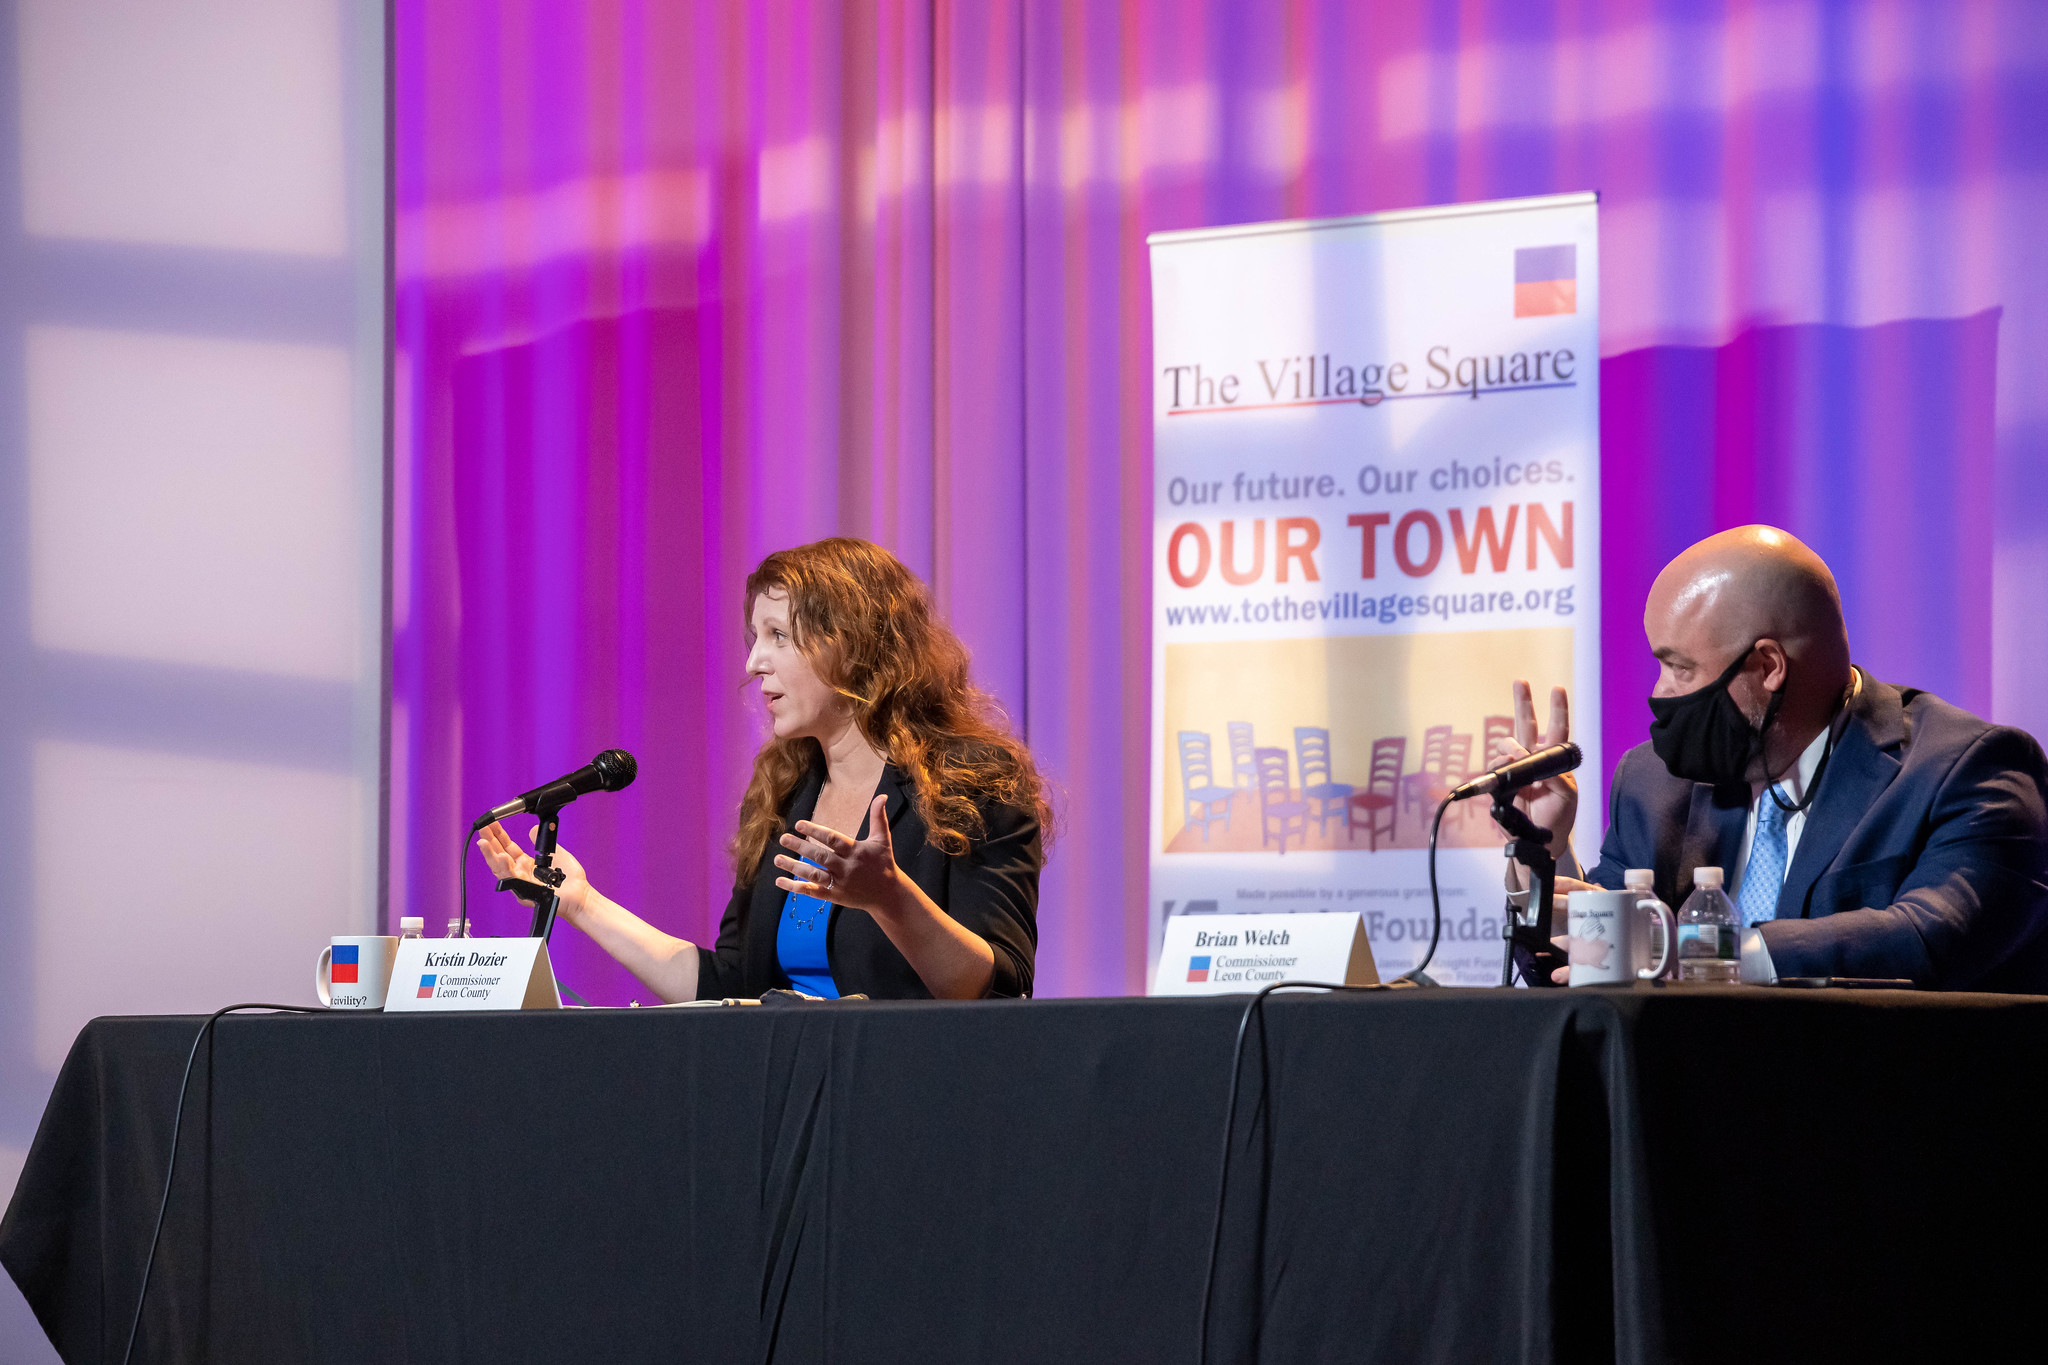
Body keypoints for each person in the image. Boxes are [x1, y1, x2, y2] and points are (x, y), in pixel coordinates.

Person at [477, 538, 1050, 1001]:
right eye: (755, 639)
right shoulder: (785, 789)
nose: (754, 663)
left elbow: (994, 989)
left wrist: (890, 897)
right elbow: (732, 986)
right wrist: (579, 903)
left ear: (849, 647)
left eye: (778, 636)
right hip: (784, 1092)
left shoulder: (971, 783)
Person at [1499, 525, 2048, 990]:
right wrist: (1541, 855)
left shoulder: (1968, 768)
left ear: (1768, 665)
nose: (1660, 692)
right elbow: (1585, 975)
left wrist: (1704, 956)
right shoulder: (1653, 781)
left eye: (1680, 668)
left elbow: (1934, 935)